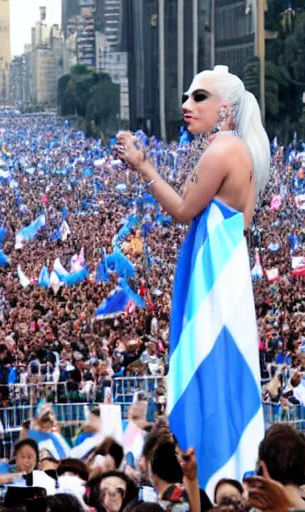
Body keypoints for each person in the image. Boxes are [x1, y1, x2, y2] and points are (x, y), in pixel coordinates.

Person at [116, 64, 270, 493]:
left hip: (216, 282)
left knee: (210, 370)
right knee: (221, 378)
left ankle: (213, 482)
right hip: (225, 274)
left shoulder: (222, 149)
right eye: (186, 96)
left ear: (225, 107)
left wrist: (143, 168)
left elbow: (183, 209)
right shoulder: (239, 149)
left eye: (198, 97)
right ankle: (228, 477)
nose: (187, 105)